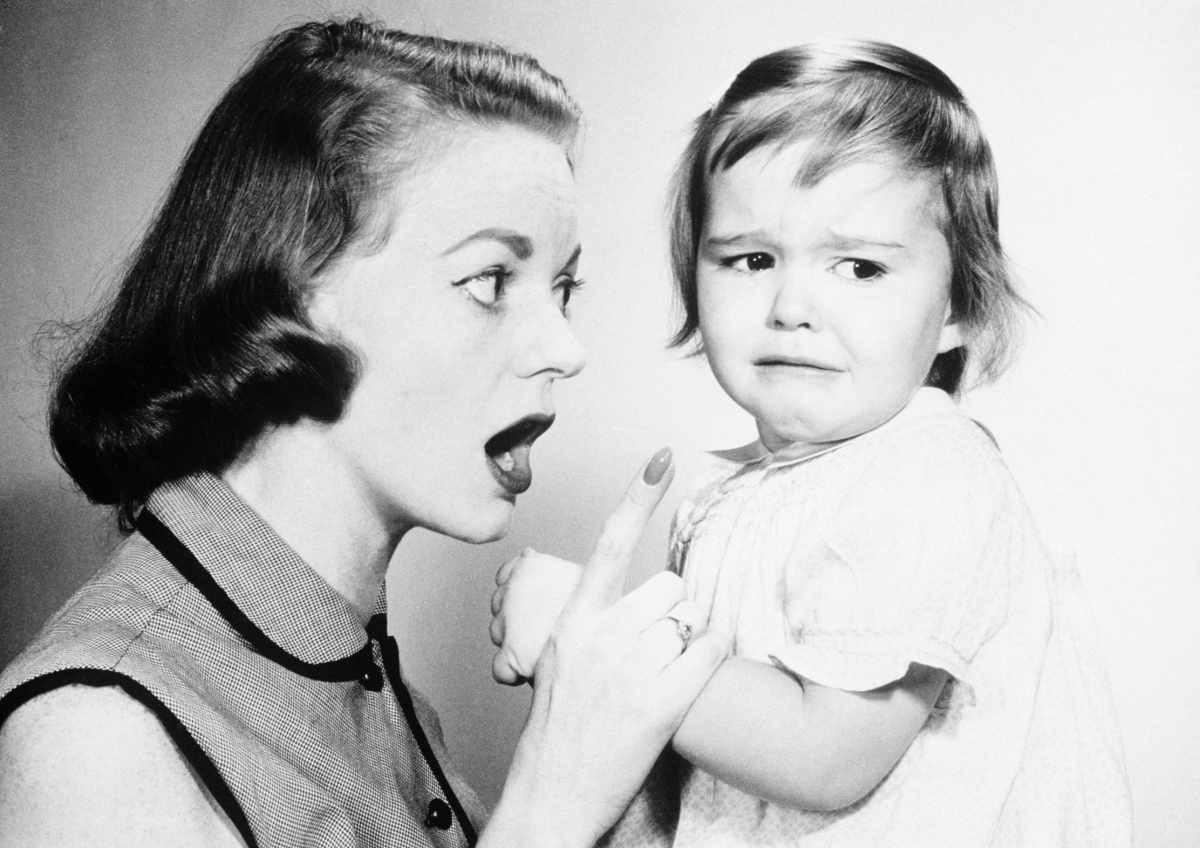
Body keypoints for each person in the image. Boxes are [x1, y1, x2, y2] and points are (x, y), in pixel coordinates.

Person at [0, 18, 728, 848]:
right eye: (491, 279)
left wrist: (637, 760)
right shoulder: (98, 736)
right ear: (297, 283)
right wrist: (552, 800)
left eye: (562, 287)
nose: (566, 347)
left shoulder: (368, 683)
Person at [491, 41, 1133, 845]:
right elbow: (708, 781)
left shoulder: (929, 475)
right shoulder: (739, 497)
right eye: (752, 259)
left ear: (961, 303)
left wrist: (595, 640)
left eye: (859, 268)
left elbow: (823, 757)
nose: (793, 304)